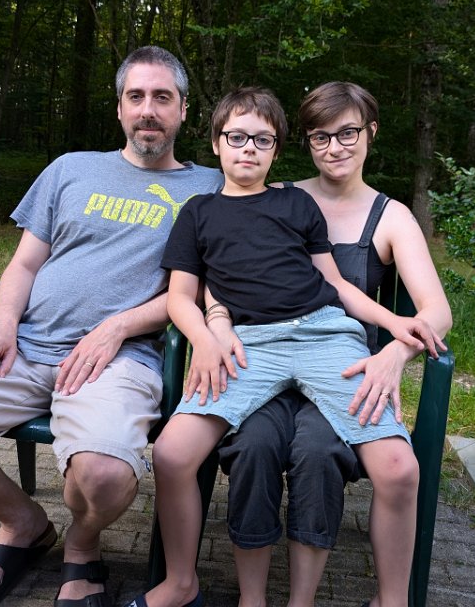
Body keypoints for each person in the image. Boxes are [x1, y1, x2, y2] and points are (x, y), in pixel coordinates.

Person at [0, 46, 223, 607]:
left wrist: (117, 327)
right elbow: (25, 264)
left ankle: (82, 541)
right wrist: (3, 325)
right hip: (23, 349)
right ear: (119, 108)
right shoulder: (70, 168)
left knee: (104, 477)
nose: (148, 109)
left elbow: (193, 290)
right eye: (136, 96)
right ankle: (23, 522)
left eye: (162, 97)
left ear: (183, 109)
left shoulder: (211, 187)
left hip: (118, 361)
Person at [124, 87, 443, 607]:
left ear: (276, 149)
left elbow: (334, 283)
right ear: (216, 142)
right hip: (249, 347)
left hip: (324, 337)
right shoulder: (198, 212)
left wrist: (395, 325)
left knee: (399, 468)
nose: (248, 148)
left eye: (262, 140)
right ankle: (181, 582)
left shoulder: (296, 203)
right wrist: (206, 335)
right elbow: (183, 295)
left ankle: (393, 600)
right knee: (172, 453)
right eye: (237, 137)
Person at [219, 81, 453, 607]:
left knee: (327, 452)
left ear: (370, 132)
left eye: (347, 133)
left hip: (344, 371)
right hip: (264, 362)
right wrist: (216, 324)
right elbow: (221, 266)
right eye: (320, 137)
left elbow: (437, 311)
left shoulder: (390, 216)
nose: (334, 148)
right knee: (254, 444)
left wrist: (395, 353)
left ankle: (382, 598)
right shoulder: (277, 196)